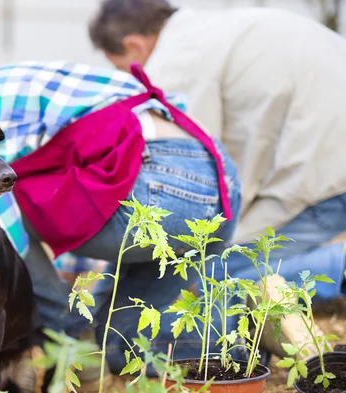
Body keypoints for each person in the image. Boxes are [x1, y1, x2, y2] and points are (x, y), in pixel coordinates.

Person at [0, 61, 241, 385]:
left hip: (167, 186)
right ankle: (240, 341)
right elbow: (83, 188)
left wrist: (60, 320)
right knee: (120, 343)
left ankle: (72, 346)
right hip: (217, 188)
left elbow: (13, 228)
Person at [89, 0, 346, 334]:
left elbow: (194, 173)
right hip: (325, 156)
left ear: (133, 45)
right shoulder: (213, 29)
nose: (132, 78)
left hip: (327, 170)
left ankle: (337, 269)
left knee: (225, 267)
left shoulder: (177, 60)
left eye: (124, 68)